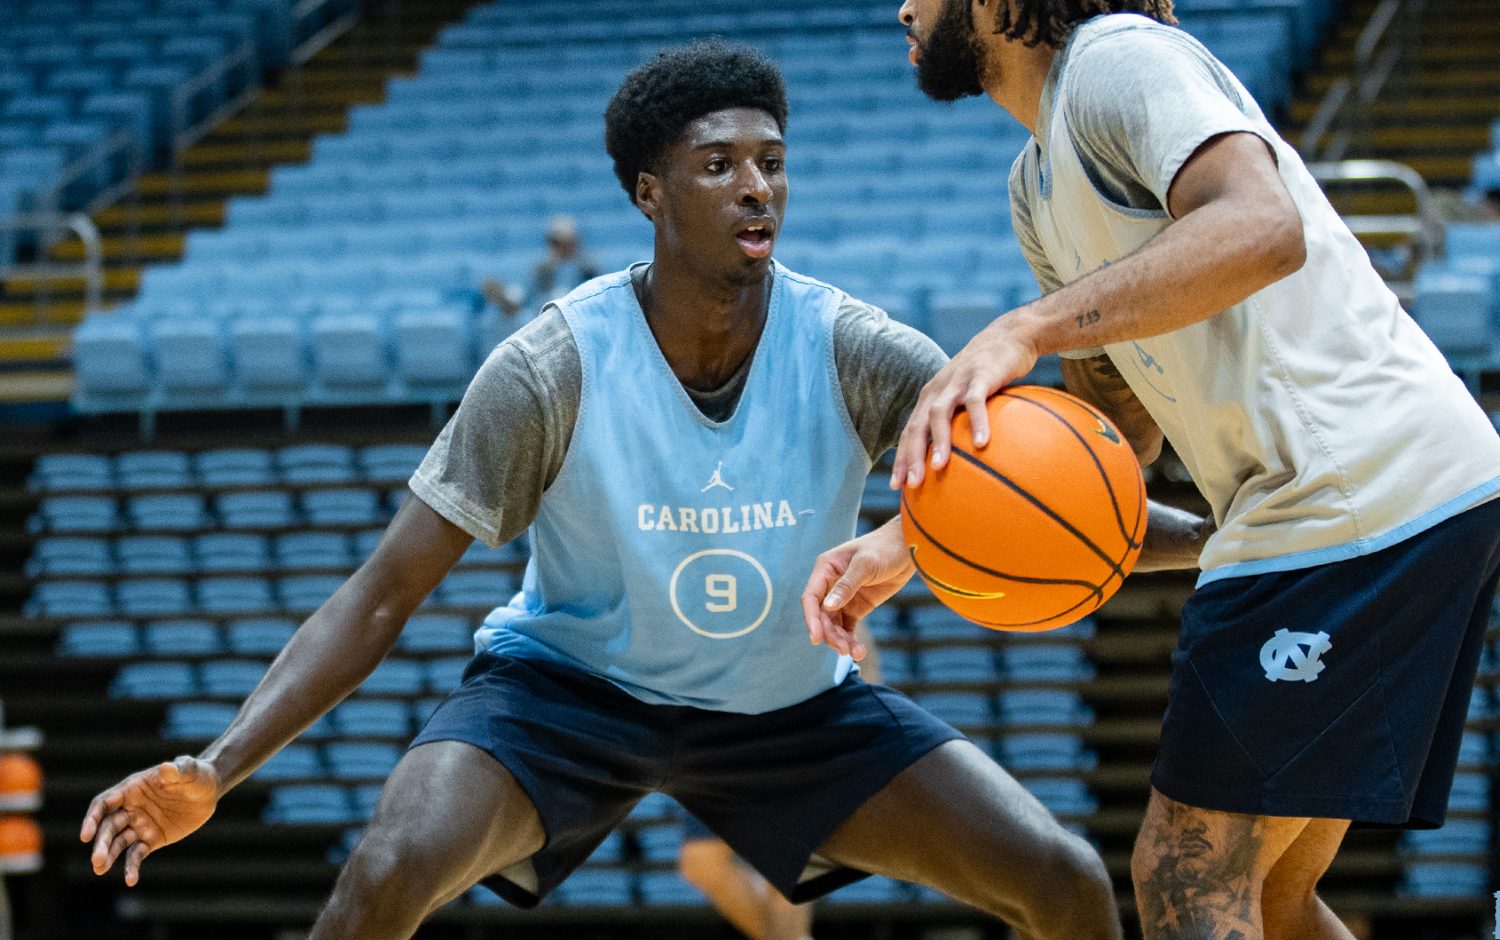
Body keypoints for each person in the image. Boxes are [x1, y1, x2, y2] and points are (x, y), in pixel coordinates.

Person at [78, 40, 1207, 940]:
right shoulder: (551, 366)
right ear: (648, 192)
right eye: (719, 165)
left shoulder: (854, 349)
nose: (756, 187)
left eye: (771, 161)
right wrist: (217, 768)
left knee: (1063, 878)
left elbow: (1069, 514)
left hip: (790, 711)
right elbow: (381, 596)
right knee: (389, 866)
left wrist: (1234, 535)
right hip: (568, 696)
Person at [805, 2, 1500, 939]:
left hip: (1359, 484)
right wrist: (914, 539)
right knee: (1272, 897)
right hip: (1367, 496)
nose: (903, 6)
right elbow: (1110, 446)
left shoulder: (1119, 60)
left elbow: (1263, 225)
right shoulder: (1035, 185)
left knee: (1185, 876)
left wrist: (1028, 327)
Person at [678, 622, 879, 940]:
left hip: (795, 736)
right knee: (701, 862)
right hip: (722, 736)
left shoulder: (804, 591)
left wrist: (855, 728)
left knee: (784, 868)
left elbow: (859, 648)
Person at [480, 214, 602, 327]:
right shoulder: (540, 270)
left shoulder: (588, 269)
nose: (563, 247)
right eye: (557, 242)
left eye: (567, 242)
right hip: (543, 320)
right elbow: (527, 300)